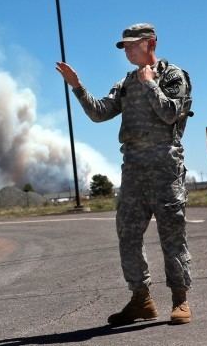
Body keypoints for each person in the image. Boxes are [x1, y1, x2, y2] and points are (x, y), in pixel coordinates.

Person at [55, 23, 193, 325]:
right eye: (125, 46)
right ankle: (141, 300)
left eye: (132, 44)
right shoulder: (126, 82)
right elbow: (100, 112)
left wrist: (150, 84)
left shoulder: (173, 76)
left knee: (172, 236)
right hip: (133, 171)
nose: (127, 49)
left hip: (165, 169)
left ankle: (180, 300)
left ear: (151, 42)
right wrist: (78, 87)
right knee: (127, 235)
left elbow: (171, 113)